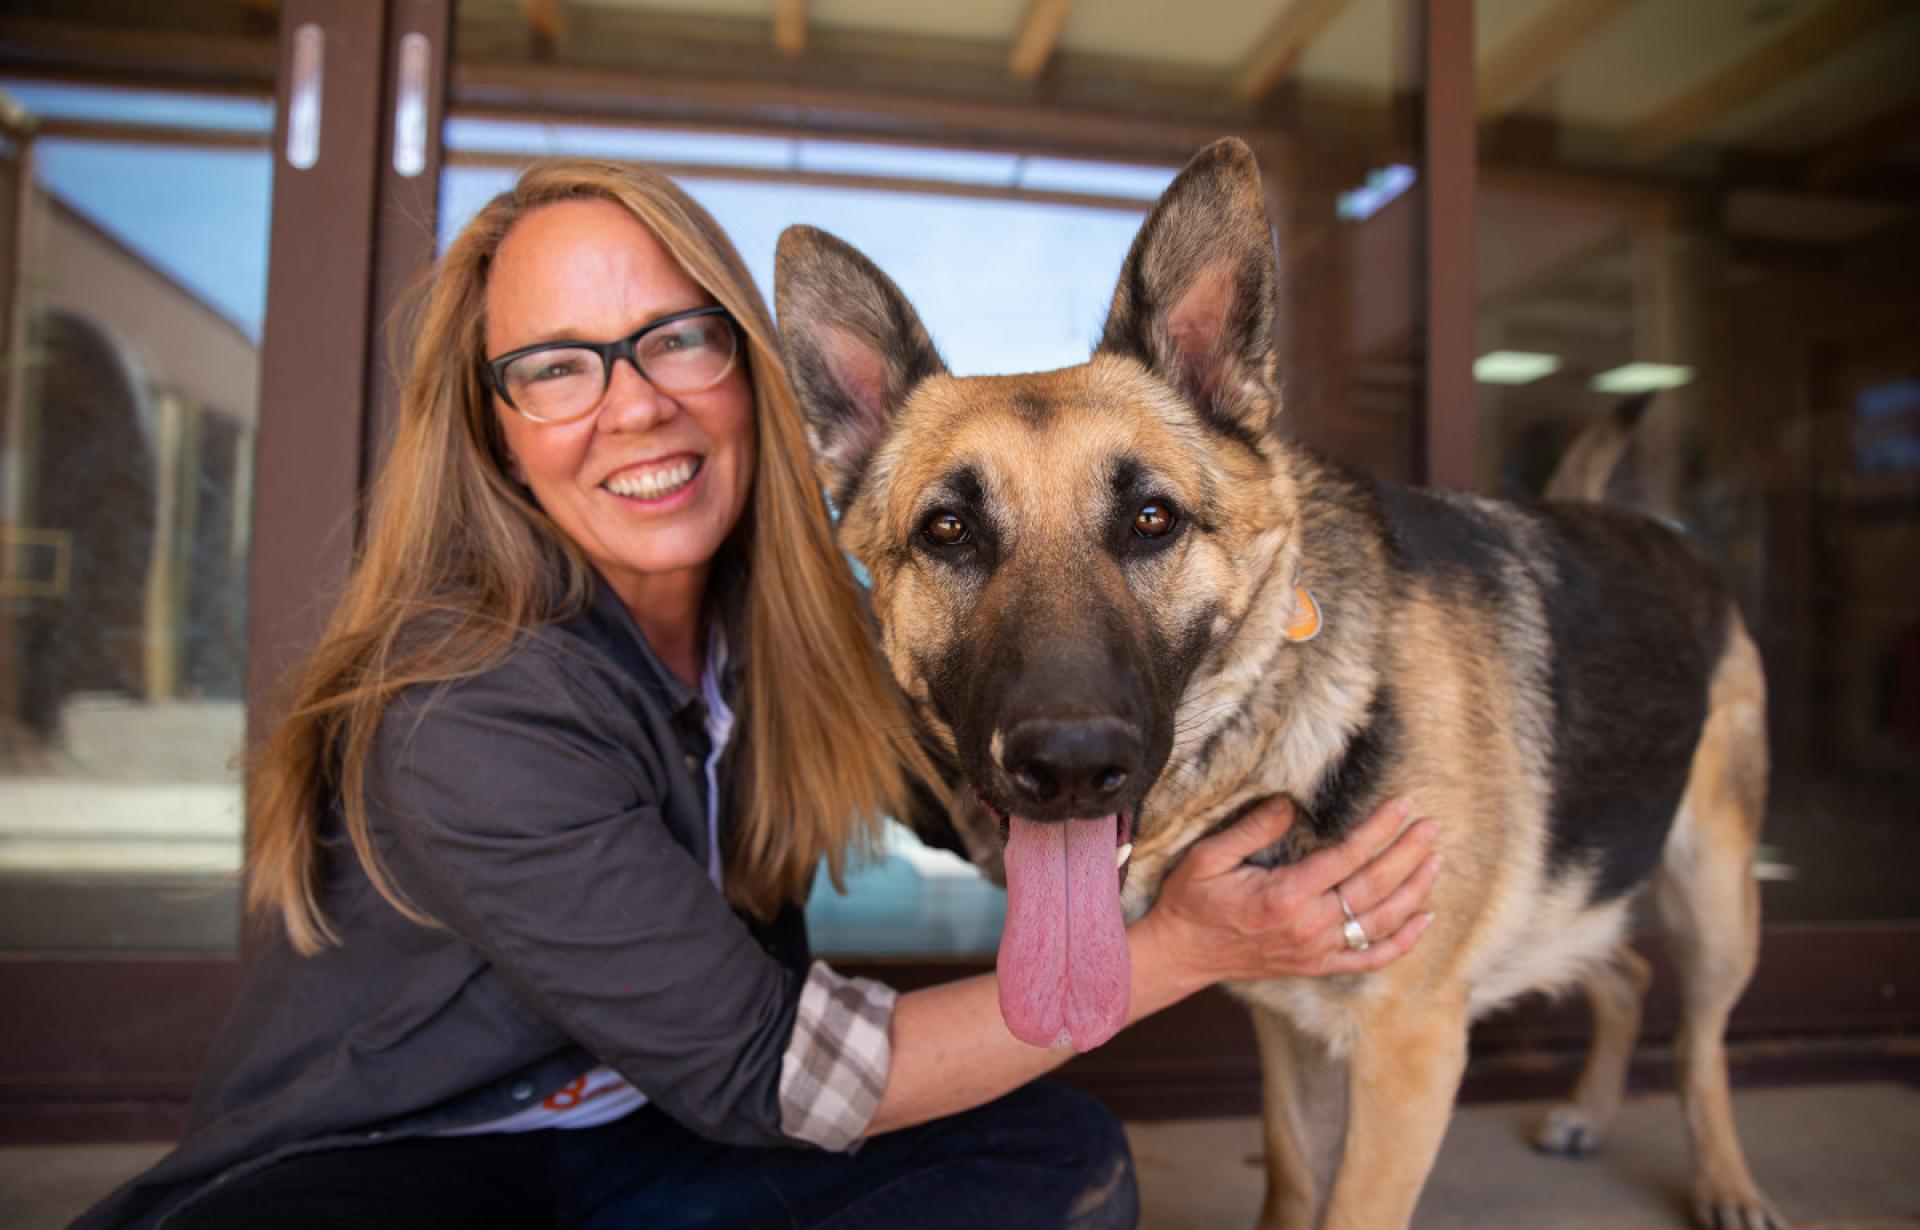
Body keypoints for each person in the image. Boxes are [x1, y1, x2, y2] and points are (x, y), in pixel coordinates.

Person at [77, 159, 1441, 1230]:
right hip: (393, 1156)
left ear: (752, 376)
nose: (633, 406)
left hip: (661, 1146)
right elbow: (769, 1072)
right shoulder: (470, 709)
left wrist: (1268, 710)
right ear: (495, 428)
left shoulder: (794, 644)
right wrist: (1193, 943)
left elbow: (985, 792)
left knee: (1059, 1161)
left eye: (674, 339)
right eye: (557, 364)